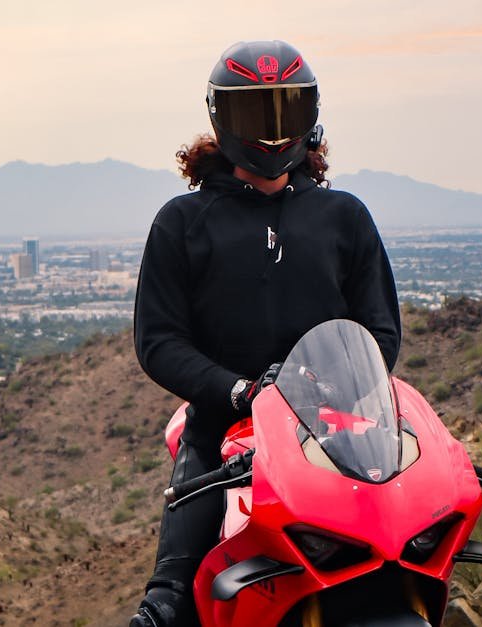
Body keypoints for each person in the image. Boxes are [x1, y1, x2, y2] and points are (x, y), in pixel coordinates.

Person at [129, 40, 401, 627]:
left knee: (402, 556)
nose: (275, 131)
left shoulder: (345, 216)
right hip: (223, 431)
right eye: (256, 112)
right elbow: (159, 342)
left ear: (311, 115)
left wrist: (320, 388)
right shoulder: (182, 222)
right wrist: (241, 392)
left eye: (287, 110)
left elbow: (379, 332)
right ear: (221, 119)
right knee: (170, 603)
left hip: (338, 435)